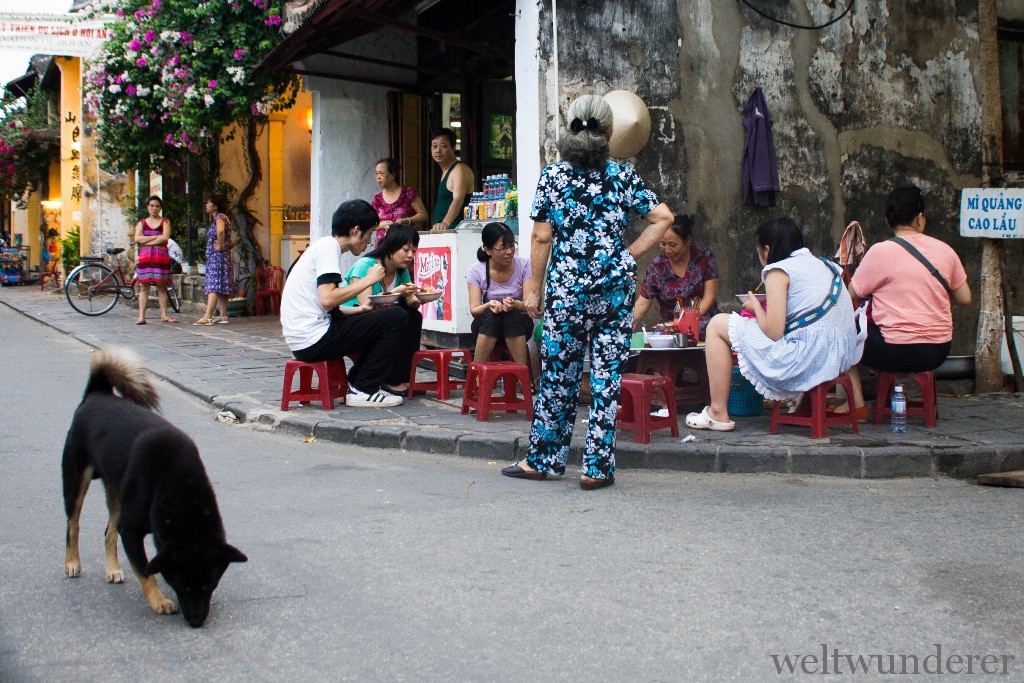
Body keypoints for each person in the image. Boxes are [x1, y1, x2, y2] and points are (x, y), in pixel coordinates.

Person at [500, 94, 674, 491]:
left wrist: (534, 290)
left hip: (567, 291)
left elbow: (542, 237)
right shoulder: (623, 176)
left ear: (571, 129)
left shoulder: (554, 177)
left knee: (558, 376)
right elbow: (664, 217)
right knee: (605, 378)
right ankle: (596, 468)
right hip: (613, 290)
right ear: (611, 132)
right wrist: (627, 254)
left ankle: (544, 460)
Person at [686, 218, 857, 431]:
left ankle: (718, 412)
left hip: (804, 359)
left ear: (766, 249)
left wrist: (755, 305)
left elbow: (774, 332)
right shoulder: (826, 265)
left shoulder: (778, 270)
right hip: (840, 357)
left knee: (717, 324)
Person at [844, 186, 971, 416]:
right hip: (938, 351)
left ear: (887, 220)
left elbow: (851, 295)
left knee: (845, 334)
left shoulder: (880, 252)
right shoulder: (946, 251)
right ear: (920, 218)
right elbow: (964, 297)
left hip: (894, 351)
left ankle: (857, 403)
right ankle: (891, 392)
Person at [279, 199, 410, 408]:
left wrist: (361, 310)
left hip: (306, 337)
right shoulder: (328, 248)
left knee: (378, 316)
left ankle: (358, 383)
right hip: (313, 339)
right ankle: (363, 388)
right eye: (369, 234)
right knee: (397, 316)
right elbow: (327, 299)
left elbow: (325, 304)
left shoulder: (323, 247)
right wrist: (369, 280)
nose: (369, 242)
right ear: (356, 230)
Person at [341, 223, 424, 396]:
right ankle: (389, 380)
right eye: (405, 249)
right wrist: (397, 291)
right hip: (351, 319)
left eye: (414, 251)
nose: (410, 256)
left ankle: (404, 377)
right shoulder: (366, 266)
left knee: (413, 316)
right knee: (398, 315)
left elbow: (411, 303)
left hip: (381, 320)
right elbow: (367, 306)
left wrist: (418, 297)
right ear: (390, 246)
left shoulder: (401, 271)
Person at [632, 213, 720, 337]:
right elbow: (643, 302)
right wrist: (624, 325)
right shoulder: (657, 266)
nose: (667, 250)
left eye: (672, 245)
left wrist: (686, 320)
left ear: (688, 240)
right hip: (671, 329)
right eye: (663, 244)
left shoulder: (704, 257)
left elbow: (709, 298)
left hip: (704, 323)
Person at [467, 222, 532, 366]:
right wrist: (489, 305)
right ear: (488, 250)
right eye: (503, 248)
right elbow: (474, 311)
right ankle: (478, 375)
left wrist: (516, 304)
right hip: (486, 327)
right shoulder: (475, 271)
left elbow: (529, 305)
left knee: (512, 314)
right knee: (492, 315)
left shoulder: (525, 265)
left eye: (511, 245)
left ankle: (523, 378)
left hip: (519, 326)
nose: (509, 251)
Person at [133, 195, 177, 324]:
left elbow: (165, 238)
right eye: (152, 205)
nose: (154, 208)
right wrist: (155, 238)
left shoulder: (165, 221)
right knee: (144, 286)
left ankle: (164, 314)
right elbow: (137, 238)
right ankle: (141, 316)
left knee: (161, 286)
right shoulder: (142, 223)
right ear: (147, 207)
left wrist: (146, 240)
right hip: (146, 257)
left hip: (160, 256)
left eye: (157, 206)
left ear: (160, 208)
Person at [193, 195, 234, 325]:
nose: (206, 205)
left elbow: (221, 231)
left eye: (209, 203)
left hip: (217, 256)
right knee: (221, 284)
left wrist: (220, 246)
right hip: (221, 256)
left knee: (214, 285)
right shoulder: (223, 217)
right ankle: (223, 315)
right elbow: (231, 240)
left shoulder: (219, 217)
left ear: (215, 206)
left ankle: (208, 316)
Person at [370, 158, 428, 248]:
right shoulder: (377, 198)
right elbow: (369, 224)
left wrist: (407, 221)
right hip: (383, 246)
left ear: (392, 174)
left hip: (405, 244)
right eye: (376, 173)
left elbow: (423, 215)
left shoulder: (408, 192)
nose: (378, 177)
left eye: (381, 173)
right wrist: (381, 225)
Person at [429, 128, 474, 231]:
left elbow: (458, 199)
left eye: (443, 146)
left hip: (455, 230)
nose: (438, 150)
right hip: (442, 230)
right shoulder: (445, 170)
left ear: (453, 148)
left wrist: (445, 223)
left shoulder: (459, 169)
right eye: (434, 146)